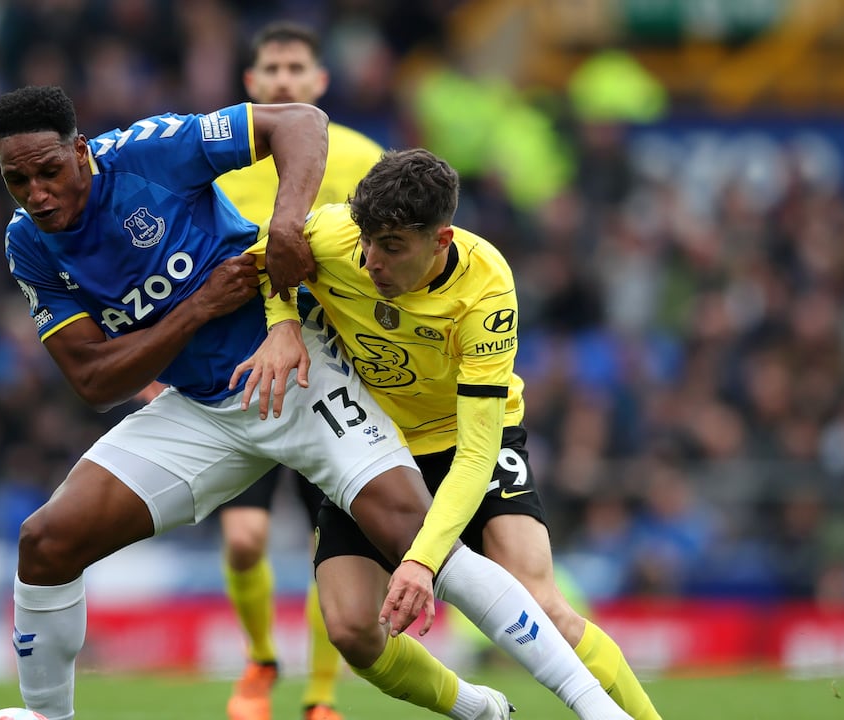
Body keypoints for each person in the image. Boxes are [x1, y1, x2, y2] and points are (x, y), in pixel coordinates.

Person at [0, 85, 627, 720]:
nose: (37, 194)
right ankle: (49, 718)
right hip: (205, 408)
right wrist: (199, 308)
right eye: (17, 180)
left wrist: (284, 226)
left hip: (301, 372)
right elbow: (95, 380)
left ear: (80, 151)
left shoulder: (152, 153)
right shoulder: (28, 245)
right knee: (46, 543)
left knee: (421, 543)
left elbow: (298, 122)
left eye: (49, 171)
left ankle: (598, 712)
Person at [233, 148, 662, 720]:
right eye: (366, 241)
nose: (371, 261)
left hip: (467, 440)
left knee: (542, 604)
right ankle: (478, 708)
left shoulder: (486, 290)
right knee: (353, 629)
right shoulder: (334, 235)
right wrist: (283, 323)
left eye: (391, 248)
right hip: (373, 447)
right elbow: (264, 262)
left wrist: (422, 561)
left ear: (441, 240)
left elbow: (478, 450)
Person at [211, 21, 385, 720]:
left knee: (330, 548)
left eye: (296, 69)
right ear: (252, 86)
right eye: (271, 71)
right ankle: (260, 659)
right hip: (237, 370)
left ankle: (319, 700)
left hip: (333, 373)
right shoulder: (222, 159)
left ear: (320, 82)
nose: (284, 80)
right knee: (245, 540)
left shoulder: (362, 156)